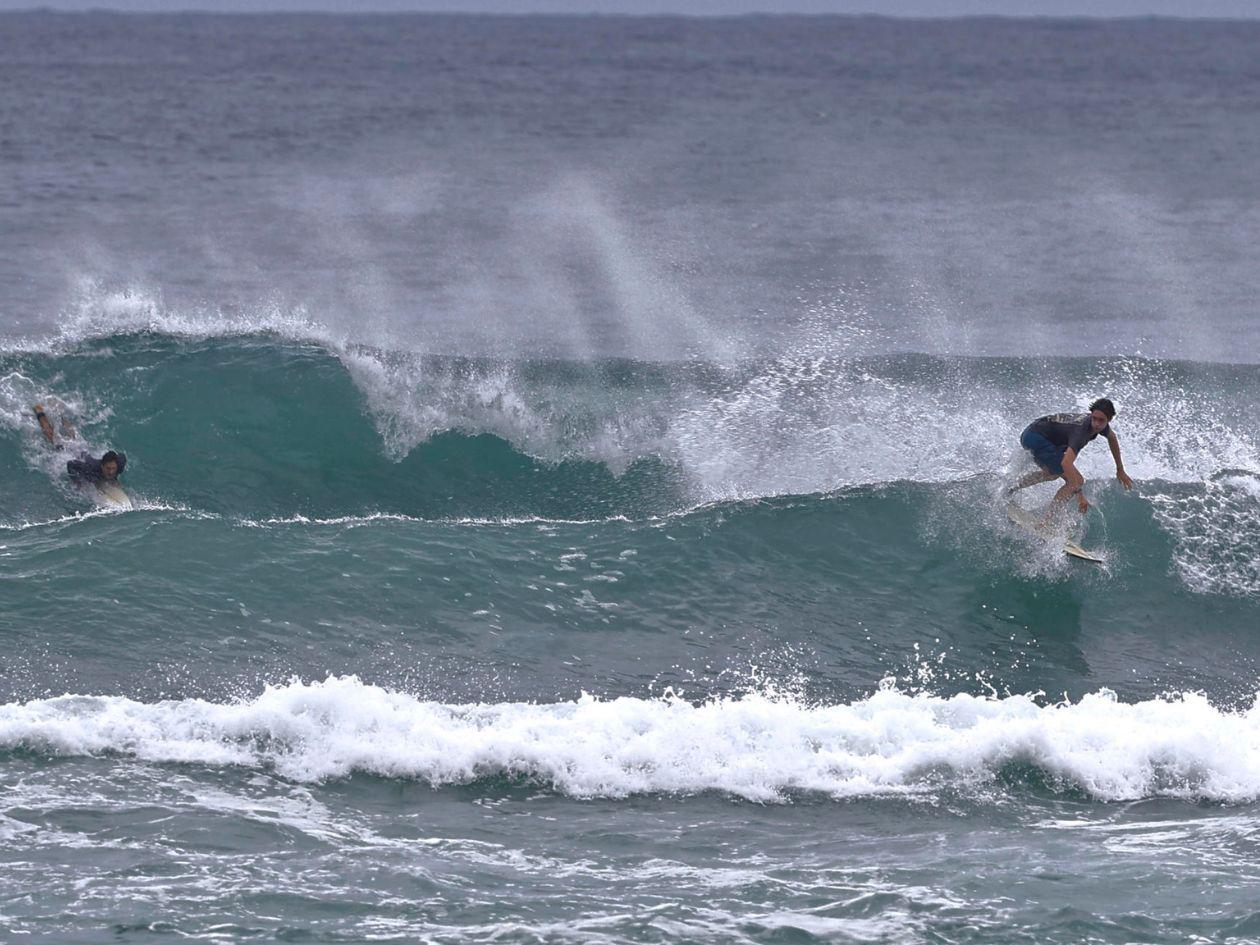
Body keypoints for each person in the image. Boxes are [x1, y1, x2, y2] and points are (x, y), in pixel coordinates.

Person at [1007, 397, 1133, 514]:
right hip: (1036, 438)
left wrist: (1120, 469)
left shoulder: (1100, 427)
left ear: (1109, 419)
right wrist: (1080, 495)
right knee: (1076, 480)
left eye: (1101, 420)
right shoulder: (1081, 433)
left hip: (1032, 433)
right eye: (1094, 418)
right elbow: (1066, 463)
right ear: (1091, 414)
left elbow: (1112, 438)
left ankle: (1010, 489)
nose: (1096, 423)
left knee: (1051, 474)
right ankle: (1046, 523)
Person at [32, 403, 127, 485]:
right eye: (108, 468)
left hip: (82, 449)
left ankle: (59, 413)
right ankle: (39, 411)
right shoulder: (91, 469)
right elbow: (70, 464)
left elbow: (122, 456)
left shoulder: (119, 466)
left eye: (113, 468)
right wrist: (77, 482)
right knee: (53, 438)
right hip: (73, 453)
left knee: (72, 436)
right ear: (102, 466)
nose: (111, 472)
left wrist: (115, 479)